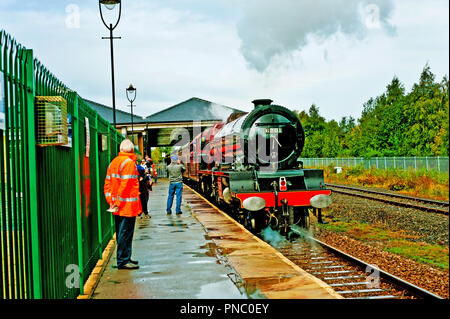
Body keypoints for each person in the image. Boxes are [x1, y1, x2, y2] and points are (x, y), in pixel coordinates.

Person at [104, 139, 141, 270]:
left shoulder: (114, 162)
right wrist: (119, 202)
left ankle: (125, 257)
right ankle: (123, 260)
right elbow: (126, 185)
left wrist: (112, 201)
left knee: (121, 232)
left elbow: (107, 183)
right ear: (131, 150)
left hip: (116, 206)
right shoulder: (129, 163)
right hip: (126, 206)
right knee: (125, 233)